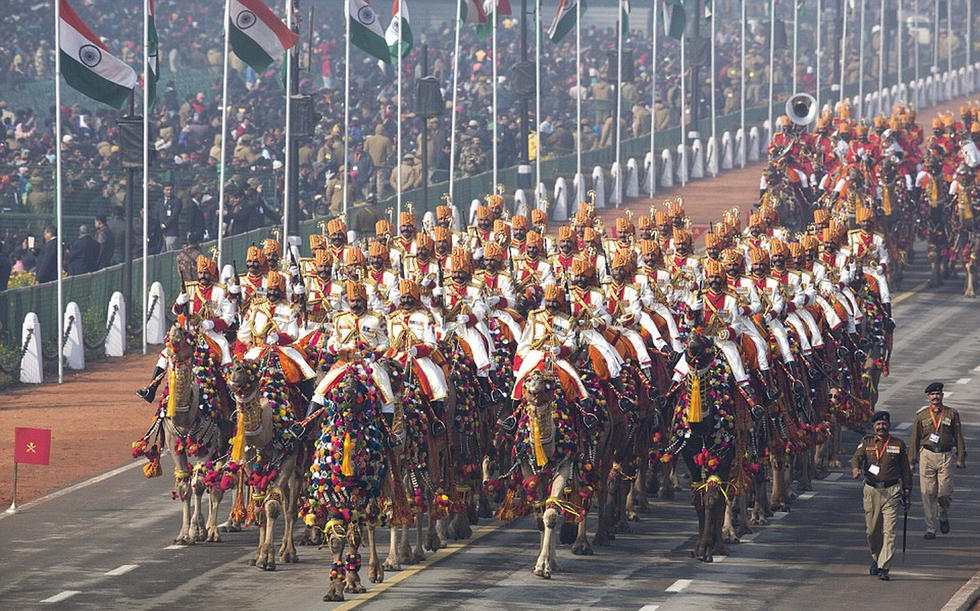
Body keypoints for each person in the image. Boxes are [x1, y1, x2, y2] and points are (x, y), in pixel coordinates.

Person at [851, 411, 913, 581]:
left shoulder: (898, 445)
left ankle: (884, 566)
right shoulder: (866, 443)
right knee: (872, 531)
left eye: (884, 424)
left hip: (892, 491)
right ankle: (876, 557)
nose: (881, 427)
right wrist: (855, 469)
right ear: (873, 427)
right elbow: (856, 458)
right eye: (878, 424)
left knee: (889, 531)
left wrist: (907, 492)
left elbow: (906, 471)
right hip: (871, 491)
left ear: (889, 426)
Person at [910, 382, 967, 539]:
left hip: (945, 456)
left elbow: (958, 436)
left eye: (938, 394)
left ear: (942, 396)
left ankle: (943, 513)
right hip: (927, 455)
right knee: (928, 494)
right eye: (932, 394)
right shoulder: (921, 416)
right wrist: (911, 461)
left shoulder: (951, 414)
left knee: (944, 492)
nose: (935, 397)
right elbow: (914, 438)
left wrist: (961, 457)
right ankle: (930, 529)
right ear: (928, 397)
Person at [157, 184, 183, 251]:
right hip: (161, 232)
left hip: (172, 231)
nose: (169, 191)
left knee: (170, 247)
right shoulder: (160, 201)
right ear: (163, 190)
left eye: (170, 190)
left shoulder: (176, 201)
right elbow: (157, 213)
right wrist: (159, 224)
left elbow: (175, 215)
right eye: (167, 190)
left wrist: (165, 225)